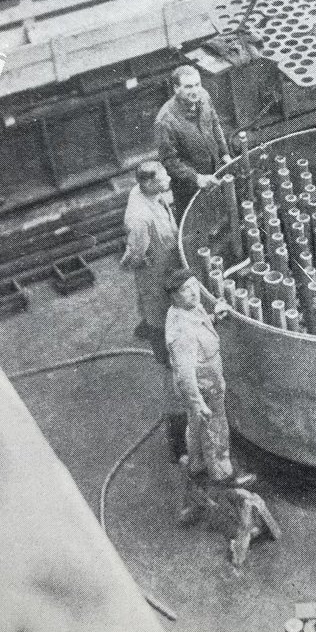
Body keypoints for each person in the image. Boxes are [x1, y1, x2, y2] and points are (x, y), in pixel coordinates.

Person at [120, 161, 185, 461]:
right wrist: (140, 265)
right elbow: (135, 255)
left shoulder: (151, 196)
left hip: (164, 278)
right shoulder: (139, 218)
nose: (169, 177)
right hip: (156, 290)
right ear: (148, 184)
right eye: (164, 177)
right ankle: (177, 441)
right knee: (170, 367)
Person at [164, 268, 252, 487]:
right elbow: (185, 375)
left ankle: (197, 464)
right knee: (215, 429)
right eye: (186, 289)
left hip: (203, 384)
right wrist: (199, 403)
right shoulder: (182, 331)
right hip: (204, 388)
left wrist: (214, 317)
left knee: (195, 427)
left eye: (194, 285)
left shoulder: (185, 309)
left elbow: (200, 325)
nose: (194, 292)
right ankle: (223, 473)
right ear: (174, 296)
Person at [154, 64, 233, 220]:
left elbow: (215, 123)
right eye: (188, 87)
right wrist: (197, 178)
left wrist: (224, 154)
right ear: (176, 88)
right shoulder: (165, 121)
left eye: (197, 84)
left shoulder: (203, 96)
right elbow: (169, 161)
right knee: (197, 223)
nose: (195, 90)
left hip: (215, 172)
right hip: (189, 187)